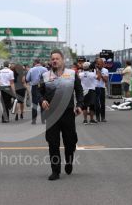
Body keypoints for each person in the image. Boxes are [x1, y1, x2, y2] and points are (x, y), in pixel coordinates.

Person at [39, 49, 83, 181]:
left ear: (62, 60)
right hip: (51, 114)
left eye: (57, 58)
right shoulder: (45, 76)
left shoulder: (72, 74)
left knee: (70, 142)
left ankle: (69, 161)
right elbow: (38, 92)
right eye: (52, 59)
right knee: (53, 143)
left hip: (68, 113)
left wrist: (80, 105)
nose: (54, 61)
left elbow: (79, 91)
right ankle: (55, 171)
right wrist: (42, 100)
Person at [26, 58, 47, 124]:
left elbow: (27, 79)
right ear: (39, 62)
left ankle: (34, 120)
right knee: (42, 103)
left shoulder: (31, 70)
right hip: (43, 87)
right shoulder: (45, 69)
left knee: (34, 104)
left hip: (35, 87)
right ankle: (43, 120)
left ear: (34, 62)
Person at [95, 58, 109, 122]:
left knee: (102, 103)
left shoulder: (105, 70)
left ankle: (103, 117)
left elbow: (106, 80)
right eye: (97, 63)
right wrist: (97, 71)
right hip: (95, 87)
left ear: (102, 64)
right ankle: (97, 117)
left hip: (102, 88)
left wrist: (101, 74)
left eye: (99, 64)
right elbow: (97, 79)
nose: (98, 65)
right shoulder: (94, 70)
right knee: (97, 103)